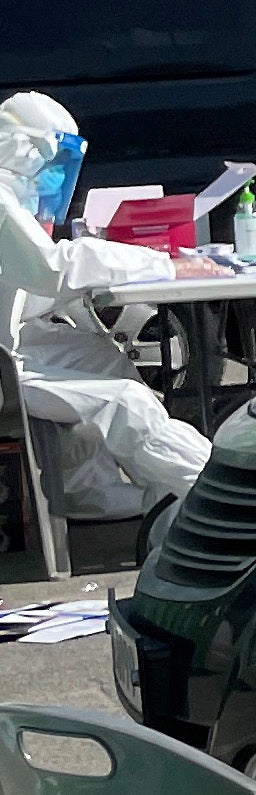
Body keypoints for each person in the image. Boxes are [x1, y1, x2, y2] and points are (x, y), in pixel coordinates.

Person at [0, 95, 208, 525]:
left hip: (8, 349)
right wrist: (161, 264)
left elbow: (23, 288)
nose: (55, 175)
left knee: (100, 358)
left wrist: (94, 281)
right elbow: (50, 269)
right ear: (25, 148)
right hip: (3, 366)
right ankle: (220, 491)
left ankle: (93, 491)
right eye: (53, 159)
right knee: (126, 402)